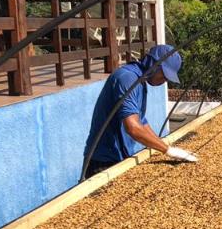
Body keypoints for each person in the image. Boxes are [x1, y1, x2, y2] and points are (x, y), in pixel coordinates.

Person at [83, 44, 198, 178]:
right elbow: (133, 127)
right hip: (103, 161)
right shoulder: (127, 78)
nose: (164, 80)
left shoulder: (140, 81)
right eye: (164, 75)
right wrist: (167, 150)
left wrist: (161, 145)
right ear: (153, 64)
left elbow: (142, 122)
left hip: (120, 157)